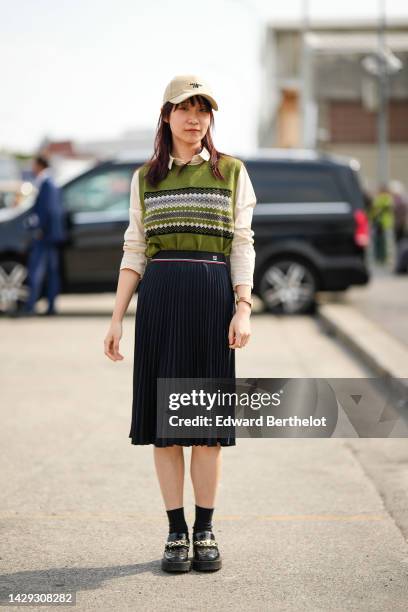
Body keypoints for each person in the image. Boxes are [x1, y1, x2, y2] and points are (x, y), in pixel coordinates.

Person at [104, 75, 256, 573]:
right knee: (166, 433)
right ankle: (175, 533)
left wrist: (243, 305)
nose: (195, 118)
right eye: (185, 109)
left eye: (203, 110)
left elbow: (241, 242)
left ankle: (205, 529)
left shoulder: (231, 171)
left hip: (213, 300)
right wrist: (116, 318)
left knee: (206, 430)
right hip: (161, 300)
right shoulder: (145, 178)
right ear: (166, 117)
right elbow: (133, 248)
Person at [21, 155, 66, 316]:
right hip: (54, 235)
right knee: (52, 272)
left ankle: (30, 306)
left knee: (36, 271)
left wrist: (38, 228)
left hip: (44, 235)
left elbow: (46, 211)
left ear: (39, 164)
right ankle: (51, 306)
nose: (32, 167)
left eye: (33, 164)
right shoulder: (54, 182)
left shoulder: (45, 183)